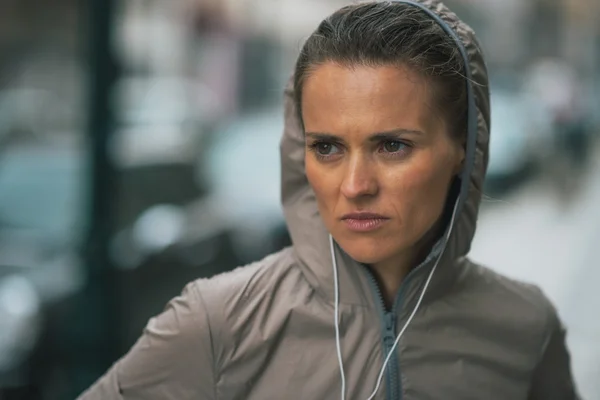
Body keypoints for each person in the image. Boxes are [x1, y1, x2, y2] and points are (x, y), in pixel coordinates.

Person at [78, 1, 579, 399]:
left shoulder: (524, 326)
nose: (355, 185)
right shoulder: (218, 324)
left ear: (462, 151)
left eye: (392, 145)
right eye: (327, 147)